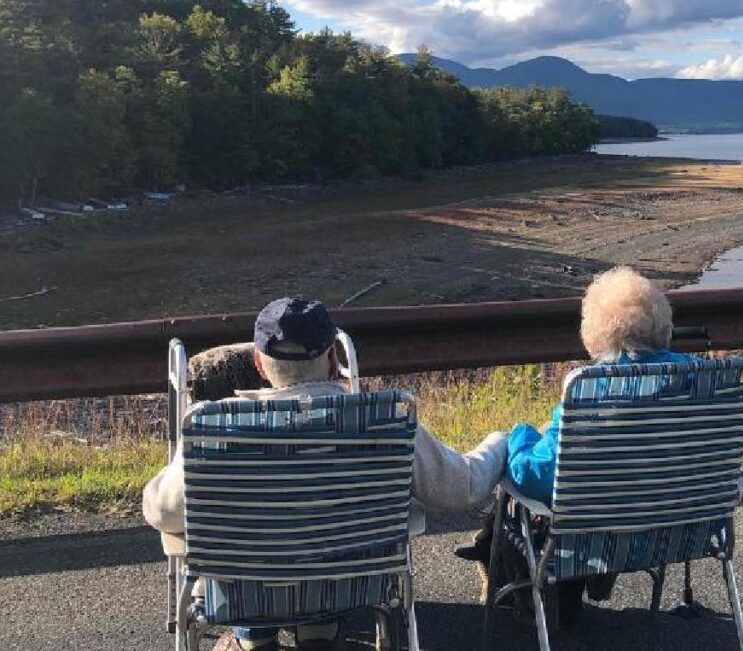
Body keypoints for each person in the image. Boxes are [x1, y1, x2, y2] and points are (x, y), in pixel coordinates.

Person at [143, 297, 508, 651]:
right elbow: (462, 487)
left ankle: (252, 637)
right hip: (350, 589)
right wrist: (500, 443)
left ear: (258, 362)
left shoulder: (215, 428)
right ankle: (320, 629)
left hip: (247, 592)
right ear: (334, 357)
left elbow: (162, 512)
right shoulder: (385, 421)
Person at [455, 267, 699, 620]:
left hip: (596, 536)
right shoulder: (701, 379)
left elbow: (535, 477)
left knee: (522, 491)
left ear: (596, 332)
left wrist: (519, 436)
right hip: (677, 531)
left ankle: (517, 579)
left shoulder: (592, 391)